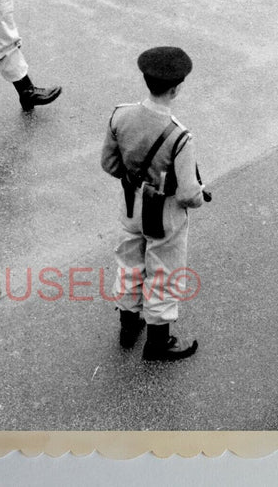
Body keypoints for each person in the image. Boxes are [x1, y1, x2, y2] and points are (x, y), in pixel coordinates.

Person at [101, 46, 207, 361]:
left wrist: (135, 180)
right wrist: (199, 196)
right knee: (164, 270)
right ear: (175, 88)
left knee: (129, 261)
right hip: (164, 212)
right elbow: (189, 193)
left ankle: (127, 325)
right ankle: (158, 340)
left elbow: (109, 164)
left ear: (146, 79)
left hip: (131, 202)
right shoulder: (180, 137)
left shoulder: (120, 114)